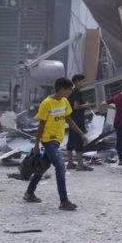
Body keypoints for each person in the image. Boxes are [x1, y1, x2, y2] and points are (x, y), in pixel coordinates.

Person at [23, 78, 87, 211]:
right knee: (60, 167)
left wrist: (81, 133)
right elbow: (41, 125)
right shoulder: (47, 103)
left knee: (42, 166)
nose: (70, 92)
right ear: (63, 89)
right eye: (69, 89)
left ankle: (29, 193)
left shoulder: (64, 102)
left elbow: (69, 120)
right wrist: (36, 144)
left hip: (57, 140)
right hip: (48, 140)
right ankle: (64, 201)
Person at [101, 81, 122, 165]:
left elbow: (103, 103)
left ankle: (121, 160)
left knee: (119, 141)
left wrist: (112, 107)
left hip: (117, 121)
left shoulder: (116, 96)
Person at [65, 74, 93, 171]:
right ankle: (80, 165)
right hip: (77, 119)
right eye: (83, 81)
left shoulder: (71, 92)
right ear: (77, 81)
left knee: (71, 141)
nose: (85, 83)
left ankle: (69, 163)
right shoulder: (77, 92)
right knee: (79, 141)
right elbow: (76, 106)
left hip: (72, 119)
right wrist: (86, 105)